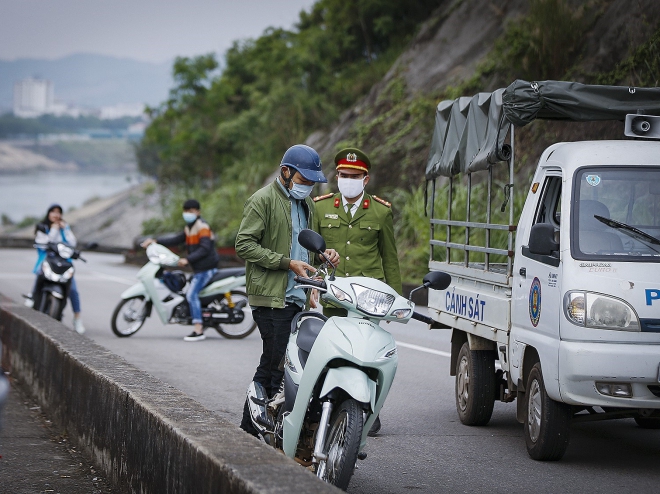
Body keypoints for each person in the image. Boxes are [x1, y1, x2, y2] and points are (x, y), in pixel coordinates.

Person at [235, 144, 339, 437]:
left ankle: (263, 429)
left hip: (296, 296)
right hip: (270, 297)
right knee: (273, 364)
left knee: (283, 365)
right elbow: (244, 245)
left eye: (311, 182)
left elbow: (304, 245)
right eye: (303, 180)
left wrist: (323, 255)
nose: (307, 186)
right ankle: (247, 433)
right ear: (286, 172)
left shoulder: (306, 204)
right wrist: (286, 263)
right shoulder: (262, 200)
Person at [313, 147, 402, 436]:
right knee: (336, 350)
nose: (347, 179)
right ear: (336, 176)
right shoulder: (321, 207)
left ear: (365, 179)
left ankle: (369, 408)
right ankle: (334, 402)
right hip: (335, 292)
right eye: (342, 175)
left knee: (367, 353)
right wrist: (320, 262)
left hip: (369, 298)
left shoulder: (381, 211)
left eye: (354, 176)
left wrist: (395, 301)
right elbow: (309, 253)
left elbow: (390, 258)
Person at [141, 199, 220, 342]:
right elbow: (175, 240)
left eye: (191, 211)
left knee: (191, 295)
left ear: (198, 212)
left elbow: (205, 248)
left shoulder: (202, 227)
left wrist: (188, 259)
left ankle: (198, 329)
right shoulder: (189, 227)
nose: (187, 214)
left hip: (206, 269)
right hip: (198, 269)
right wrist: (155, 241)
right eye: (186, 211)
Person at [26, 204, 85, 334]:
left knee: (73, 290)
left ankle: (77, 318)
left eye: (58, 212)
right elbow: (44, 244)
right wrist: (53, 229)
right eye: (53, 212)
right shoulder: (43, 227)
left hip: (64, 263)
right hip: (48, 260)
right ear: (48, 213)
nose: (56, 215)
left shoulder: (65, 227)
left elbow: (72, 243)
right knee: (40, 278)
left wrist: (66, 229)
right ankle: (32, 298)